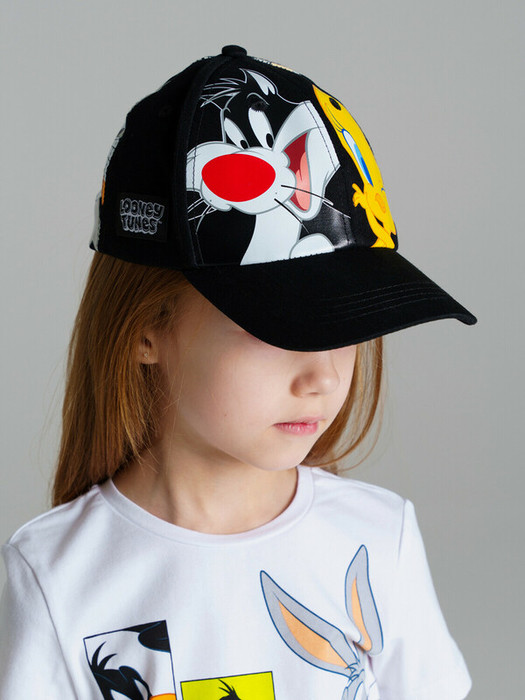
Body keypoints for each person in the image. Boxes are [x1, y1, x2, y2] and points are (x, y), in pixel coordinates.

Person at [0, 45, 476, 699]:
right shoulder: (56, 575)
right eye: (276, 328)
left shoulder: (376, 541)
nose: (321, 378)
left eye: (344, 327)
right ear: (145, 328)